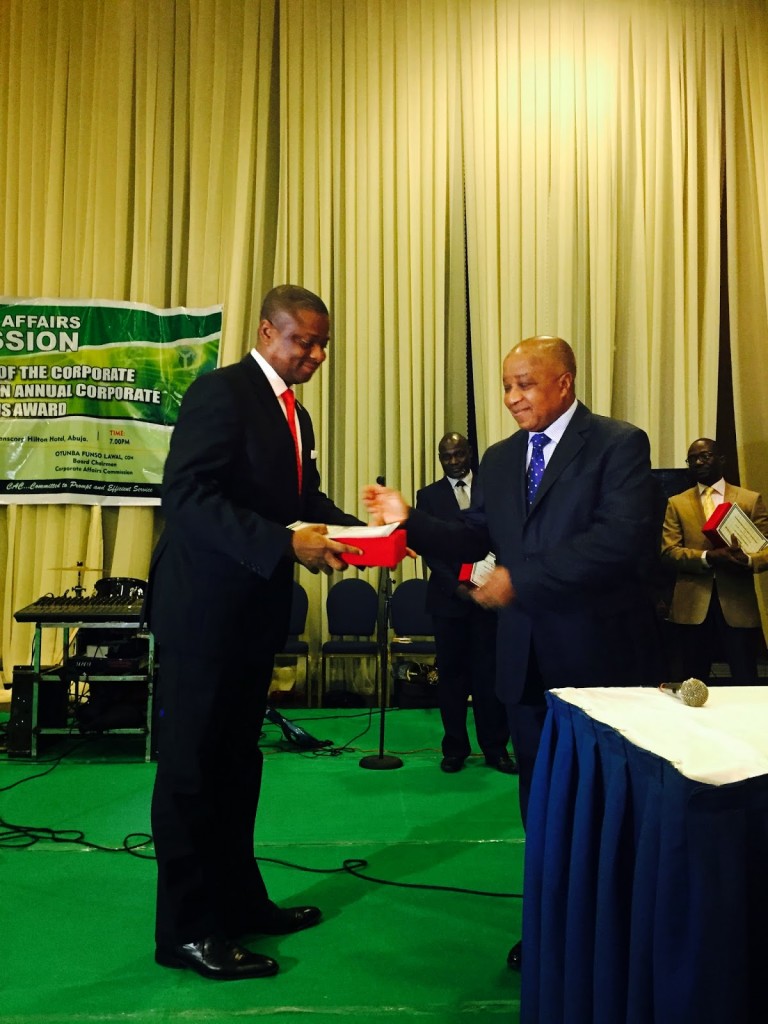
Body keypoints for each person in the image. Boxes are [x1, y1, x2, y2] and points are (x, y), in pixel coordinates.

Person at [363, 335, 660, 970]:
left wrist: (519, 580)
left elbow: (618, 542)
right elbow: (475, 534)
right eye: (506, 385)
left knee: (604, 803)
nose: (512, 398)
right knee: (540, 801)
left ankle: (611, 931)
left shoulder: (619, 445)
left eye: (525, 384)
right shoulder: (500, 460)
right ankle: (550, 925)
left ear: (565, 382)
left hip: (599, 665)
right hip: (524, 666)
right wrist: (408, 518)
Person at [146, 285, 364, 981]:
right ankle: (186, 932)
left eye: (323, 344)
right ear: (267, 331)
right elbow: (187, 497)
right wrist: (283, 543)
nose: (316, 355)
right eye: (304, 341)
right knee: (192, 771)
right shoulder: (221, 392)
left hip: (250, 617)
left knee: (238, 766)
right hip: (202, 614)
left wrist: (373, 534)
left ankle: (239, 903)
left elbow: (302, 502)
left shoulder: (294, 411)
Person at [415, 432, 516, 774]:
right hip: (448, 601)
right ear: (440, 459)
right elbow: (429, 548)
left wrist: (494, 580)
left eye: (459, 454)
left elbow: (504, 537)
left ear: (470, 453)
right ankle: (455, 748)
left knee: (490, 676)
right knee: (452, 678)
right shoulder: (428, 496)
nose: (454, 462)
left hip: (490, 600)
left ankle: (495, 749)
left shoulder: (492, 488)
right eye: (447, 457)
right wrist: (458, 588)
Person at [661, 437, 768, 684]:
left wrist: (747, 560)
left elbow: (765, 550)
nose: (698, 462)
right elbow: (668, 552)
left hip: (738, 605)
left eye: (705, 456)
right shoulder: (676, 503)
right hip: (692, 607)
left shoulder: (750, 500)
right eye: (692, 459)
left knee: (745, 681)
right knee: (691, 684)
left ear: (721, 459)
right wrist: (708, 557)